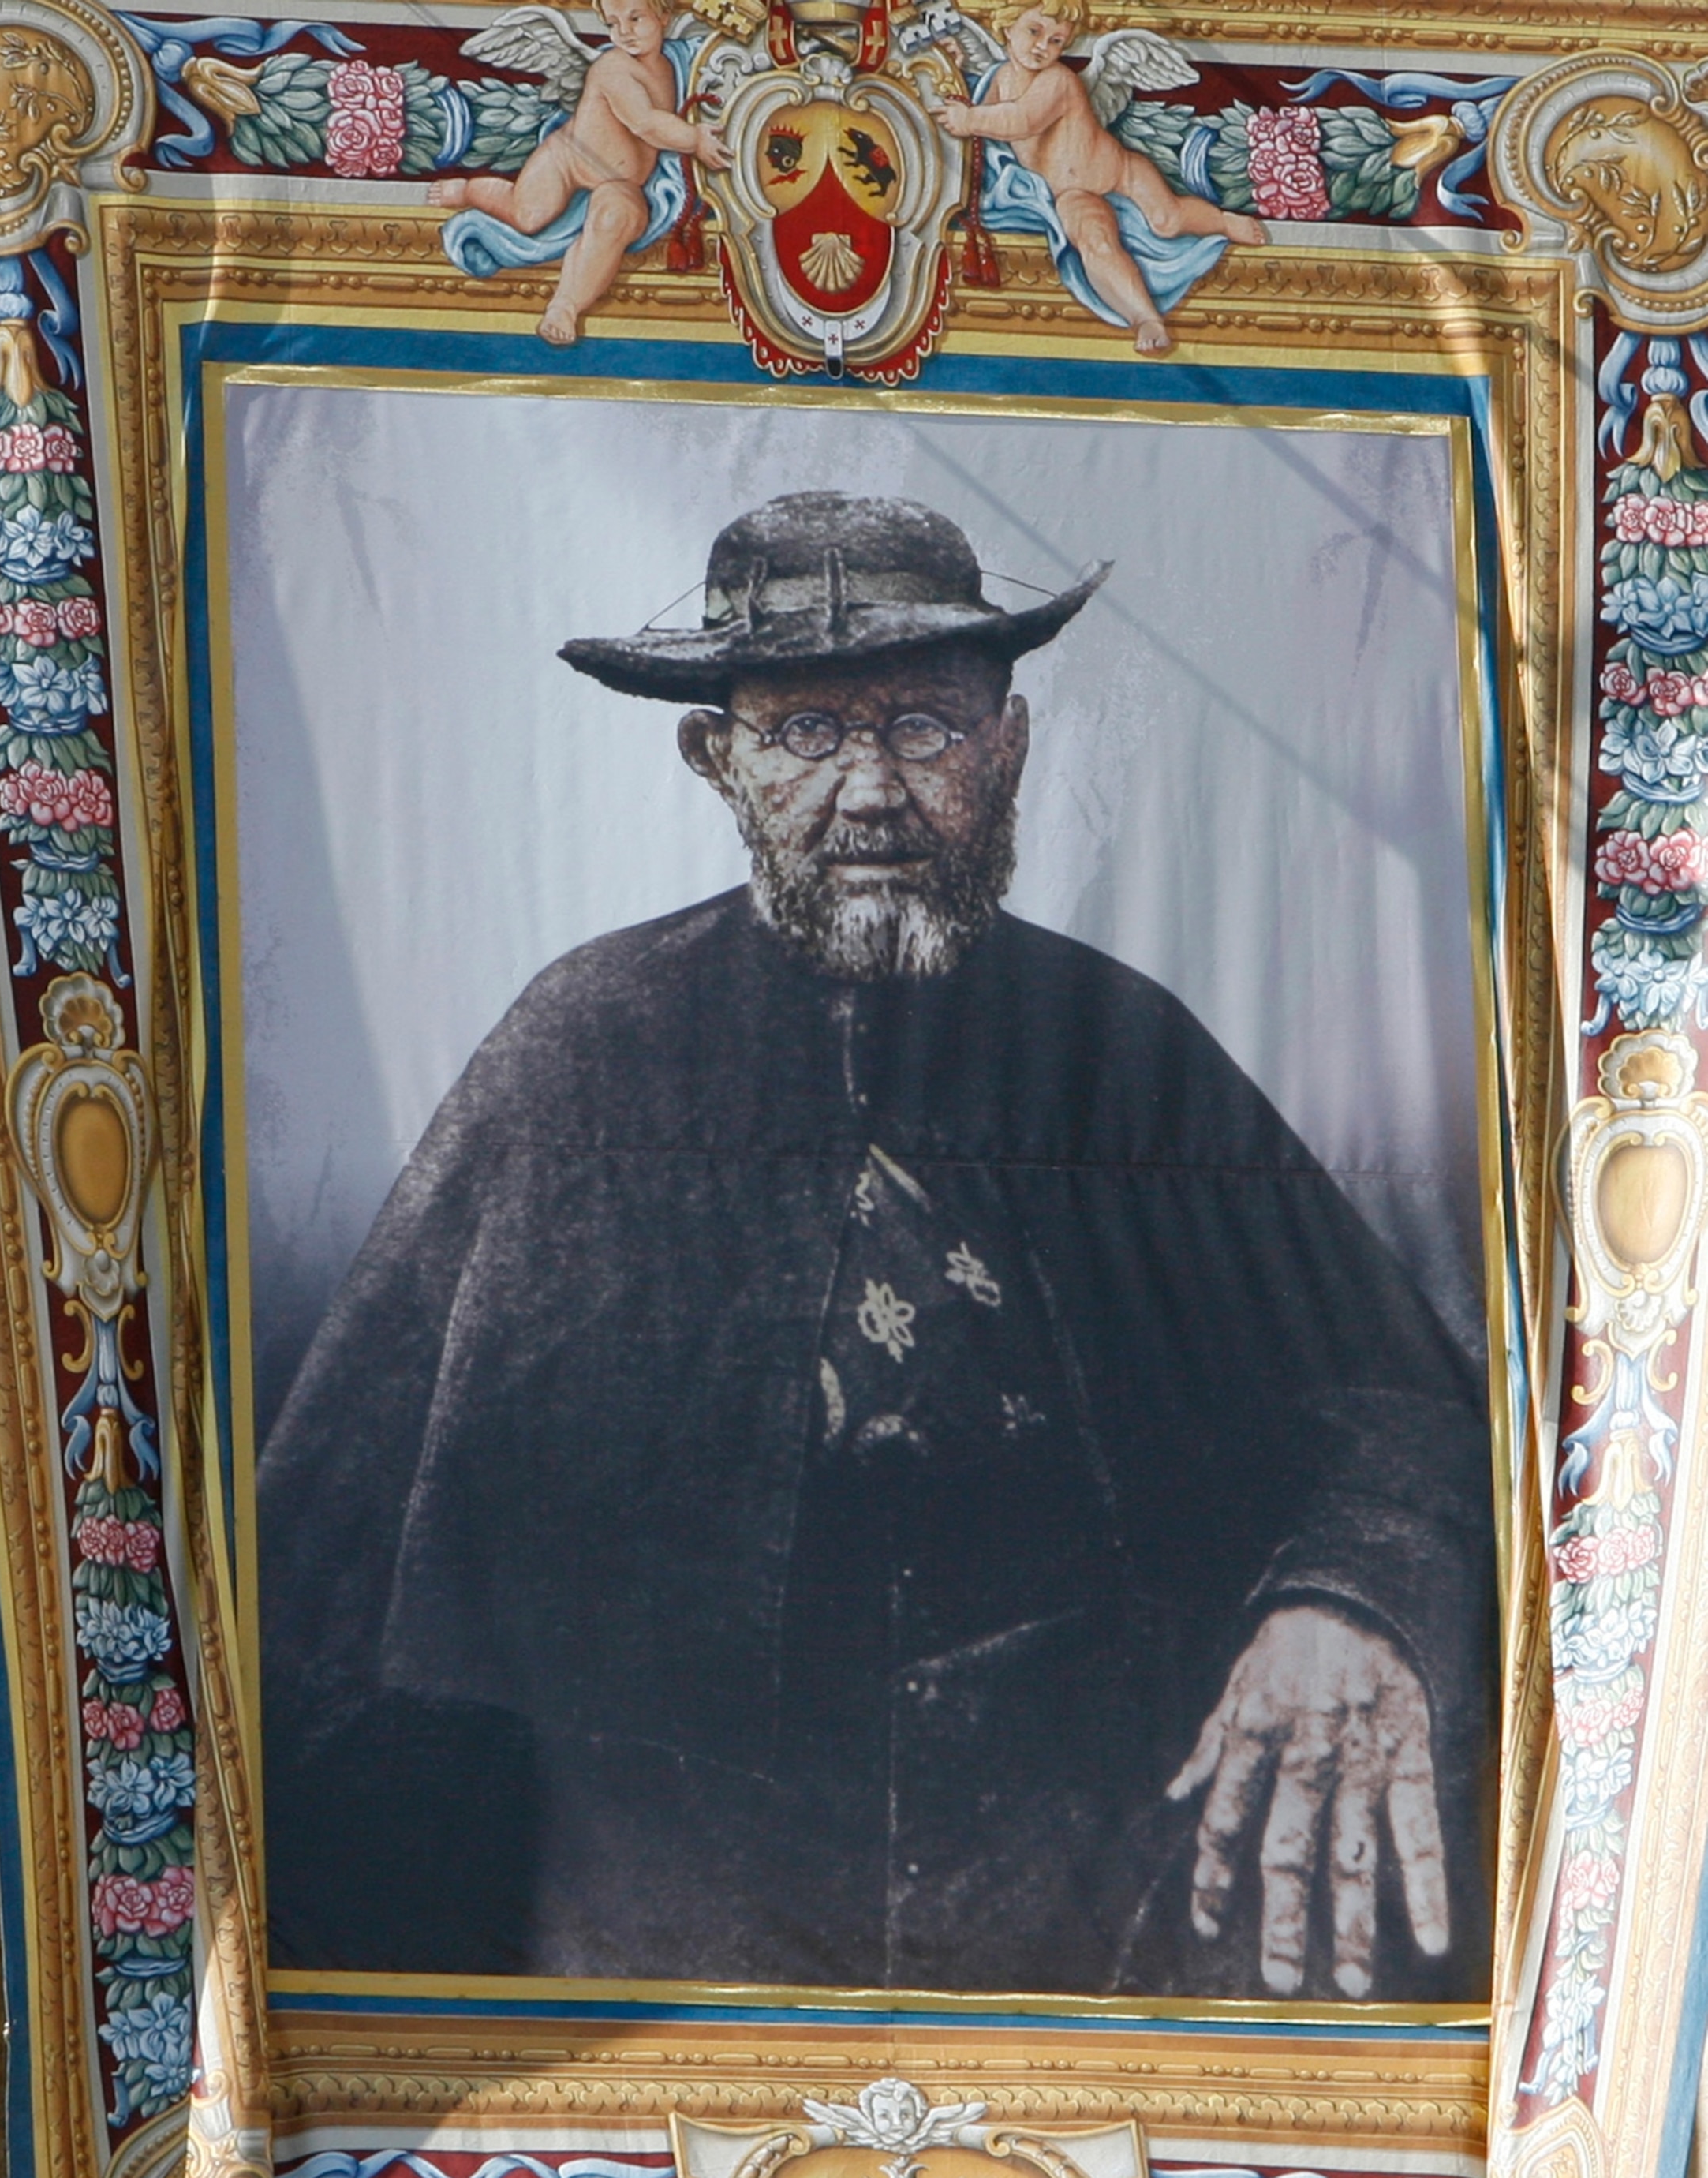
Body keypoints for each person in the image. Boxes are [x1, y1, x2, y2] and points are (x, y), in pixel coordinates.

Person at [258, 491, 1496, 2004]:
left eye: (923, 725)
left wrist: (1345, 1598)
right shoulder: (582, 1052)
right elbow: (314, 1564)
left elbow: (1392, 1401)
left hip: (1088, 1912)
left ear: (1011, 746)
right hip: (664, 1943)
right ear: (715, 761)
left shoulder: (1118, 1050)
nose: (870, 790)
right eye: (804, 734)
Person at [930, 1, 1265, 354]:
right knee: (1096, 243)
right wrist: (955, 69)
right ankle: (1144, 316)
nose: (1044, 46)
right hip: (1071, 193)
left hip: (1121, 171)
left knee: (1168, 219)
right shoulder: (999, 79)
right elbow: (978, 114)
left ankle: (1224, 222)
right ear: (1005, 28)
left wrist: (969, 120)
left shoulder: (1057, 80)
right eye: (1035, 31)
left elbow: (1020, 120)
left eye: (1057, 41)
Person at [428, 0, 730, 345]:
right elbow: (645, 123)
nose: (625, 32)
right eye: (613, 24)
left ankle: (566, 304)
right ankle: (470, 191)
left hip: (621, 182)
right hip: (566, 161)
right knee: (527, 215)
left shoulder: (676, 65)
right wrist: (694, 139)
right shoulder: (613, 67)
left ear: (664, 16)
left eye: (635, 18)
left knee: (619, 217)